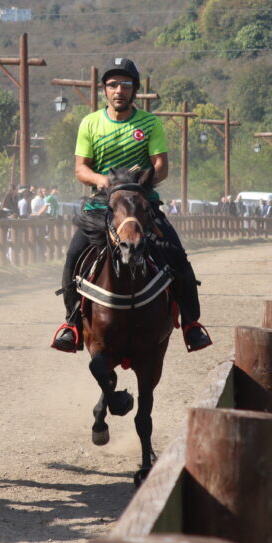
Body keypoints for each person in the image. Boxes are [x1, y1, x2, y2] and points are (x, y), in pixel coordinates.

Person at [53, 57, 212, 354]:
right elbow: (80, 168)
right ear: (104, 90)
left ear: (135, 90)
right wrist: (101, 180)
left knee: (178, 257)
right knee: (73, 256)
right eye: (112, 84)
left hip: (142, 205)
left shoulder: (150, 124)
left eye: (125, 84)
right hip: (101, 206)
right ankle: (72, 324)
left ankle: (191, 325)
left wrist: (141, 183)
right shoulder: (91, 123)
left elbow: (161, 167)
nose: (118, 90)